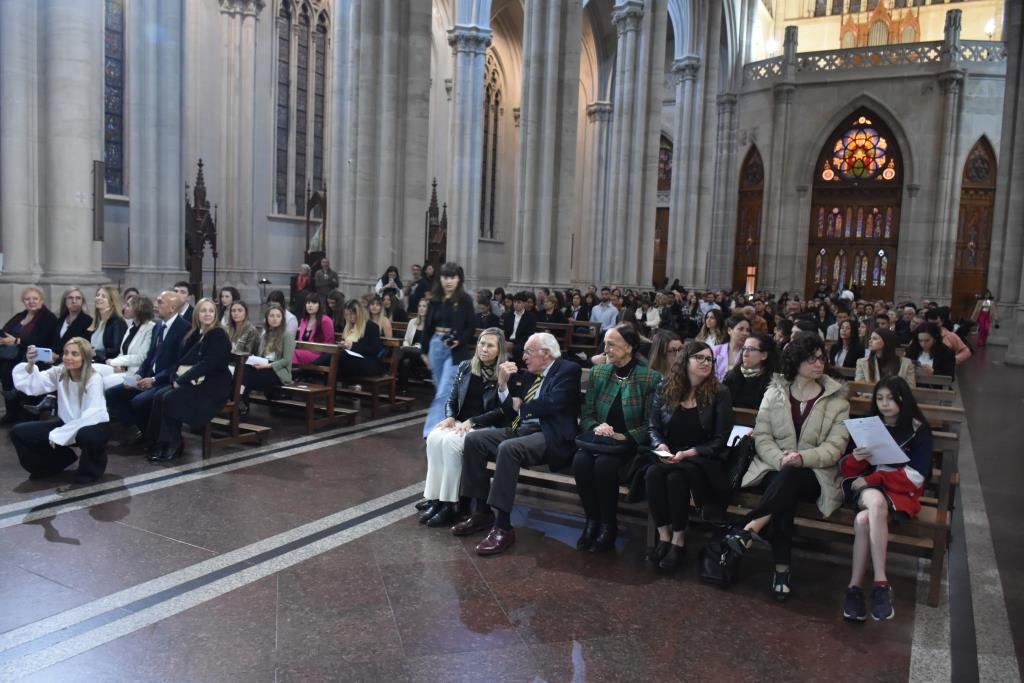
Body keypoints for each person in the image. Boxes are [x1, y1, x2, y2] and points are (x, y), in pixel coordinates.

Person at [728, 335, 850, 600]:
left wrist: (801, 459)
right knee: (784, 488)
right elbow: (762, 435)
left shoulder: (837, 401)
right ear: (796, 361)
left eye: (821, 358)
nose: (819, 363)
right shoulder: (774, 393)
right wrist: (780, 459)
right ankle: (781, 570)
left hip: (815, 473)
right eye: (811, 358)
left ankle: (748, 529)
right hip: (773, 467)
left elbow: (835, 447)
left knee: (789, 481)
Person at [455, 333, 581, 555]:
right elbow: (508, 407)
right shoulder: (530, 375)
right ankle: (481, 513)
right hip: (521, 429)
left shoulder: (568, 370)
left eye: (528, 352)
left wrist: (521, 408)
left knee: (508, 449)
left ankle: (502, 526)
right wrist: (503, 385)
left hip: (549, 434)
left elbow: (553, 403)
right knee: (474, 439)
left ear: (546, 354)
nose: (523, 357)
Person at [841, 377, 933, 621]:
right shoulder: (867, 427)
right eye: (880, 398)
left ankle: (855, 589)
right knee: (876, 503)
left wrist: (875, 478)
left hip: (901, 493)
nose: (885, 404)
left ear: (904, 399)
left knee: (863, 521)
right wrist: (857, 458)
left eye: (891, 398)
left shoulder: (918, 429)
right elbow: (849, 471)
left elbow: (917, 476)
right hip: (870, 491)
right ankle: (881, 584)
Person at [644, 341, 733, 570]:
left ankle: (678, 540)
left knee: (676, 478)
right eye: (700, 358)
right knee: (652, 473)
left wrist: (690, 453)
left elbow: (720, 440)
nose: (706, 363)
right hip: (669, 453)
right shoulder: (666, 386)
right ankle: (663, 535)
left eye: (709, 359)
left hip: (701, 458)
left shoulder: (719, 392)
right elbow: (653, 426)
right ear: (686, 360)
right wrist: (660, 445)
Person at [573, 325, 661, 553]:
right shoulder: (599, 373)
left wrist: (626, 436)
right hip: (600, 440)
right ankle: (591, 521)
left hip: (631, 447)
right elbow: (587, 414)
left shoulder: (650, 378)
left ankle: (608, 526)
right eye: (605, 343)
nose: (606, 348)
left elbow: (650, 423)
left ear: (629, 347)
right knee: (580, 461)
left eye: (612, 344)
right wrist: (597, 426)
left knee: (604, 466)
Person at [421, 328, 509, 528]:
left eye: (490, 345)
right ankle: (436, 499)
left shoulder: (505, 372)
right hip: (461, 423)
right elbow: (452, 398)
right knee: (435, 437)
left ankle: (452, 505)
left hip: (486, 426)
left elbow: (501, 411)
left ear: (499, 349)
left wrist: (473, 422)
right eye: (481, 344)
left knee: (451, 443)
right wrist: (450, 416)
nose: (484, 349)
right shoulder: (466, 366)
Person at [11, 338, 111, 483]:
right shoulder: (59, 372)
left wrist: (59, 434)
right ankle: (53, 464)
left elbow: (92, 414)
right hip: (66, 423)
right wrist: (31, 364)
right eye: (66, 353)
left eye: (75, 354)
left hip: (94, 424)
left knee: (87, 436)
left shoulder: (94, 378)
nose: (68, 357)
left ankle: (90, 472)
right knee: (19, 432)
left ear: (85, 357)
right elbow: (33, 386)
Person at [146, 298, 232, 463]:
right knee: (159, 395)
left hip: (214, 387)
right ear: (197, 314)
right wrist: (174, 377)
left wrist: (181, 381)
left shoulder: (218, 334)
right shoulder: (200, 333)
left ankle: (174, 445)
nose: (207, 314)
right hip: (199, 382)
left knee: (170, 398)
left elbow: (207, 365)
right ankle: (159, 442)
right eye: (203, 311)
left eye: (211, 311)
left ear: (215, 314)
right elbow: (185, 360)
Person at [104, 291, 190, 439]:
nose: (155, 305)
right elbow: (150, 357)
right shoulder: (158, 326)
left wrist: (154, 380)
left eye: (160, 302)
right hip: (148, 378)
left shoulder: (184, 328)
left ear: (172, 308)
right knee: (112, 394)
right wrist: (138, 375)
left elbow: (178, 364)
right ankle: (144, 430)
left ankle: (153, 436)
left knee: (139, 401)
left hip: (166, 381)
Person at [422, 263, 476, 437]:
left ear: (459, 279)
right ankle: (449, 421)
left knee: (445, 390)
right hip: (436, 345)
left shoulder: (465, 300)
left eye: (452, 277)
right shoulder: (435, 300)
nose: (448, 281)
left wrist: (458, 340)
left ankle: (432, 431)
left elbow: (471, 327)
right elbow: (427, 328)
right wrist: (423, 352)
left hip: (456, 349)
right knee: (441, 390)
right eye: (445, 277)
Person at [0, 287, 60, 423]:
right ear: (23, 301)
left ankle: (24, 412)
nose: (31, 301)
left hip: (37, 353)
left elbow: (42, 339)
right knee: (4, 368)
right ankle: (11, 411)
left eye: (35, 298)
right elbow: (6, 330)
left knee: (17, 368)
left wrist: (17, 340)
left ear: (41, 300)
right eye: (27, 299)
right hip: (13, 353)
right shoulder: (20, 315)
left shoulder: (48, 318)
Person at [241, 304, 295, 415]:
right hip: (264, 366)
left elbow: (286, 360)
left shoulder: (287, 335)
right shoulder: (266, 334)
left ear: (282, 319)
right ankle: (241, 403)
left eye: (278, 316)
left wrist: (267, 366)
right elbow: (261, 355)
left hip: (278, 372)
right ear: (267, 318)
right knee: (243, 370)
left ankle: (242, 403)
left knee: (247, 378)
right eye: (272, 316)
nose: (275, 319)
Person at [106, 296, 157, 386]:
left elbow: (141, 358)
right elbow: (123, 353)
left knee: (103, 382)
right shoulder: (132, 327)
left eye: (128, 305)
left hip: (135, 373)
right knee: (94, 371)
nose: (124, 308)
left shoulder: (150, 328)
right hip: (123, 369)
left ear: (138, 310)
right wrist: (118, 365)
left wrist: (115, 361)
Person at [723, 332, 776, 410]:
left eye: (751, 349)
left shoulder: (773, 382)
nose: (745, 354)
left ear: (764, 355)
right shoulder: (732, 377)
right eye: (744, 349)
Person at [336, 300, 385, 381]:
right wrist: (344, 344)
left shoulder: (371, 326)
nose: (349, 317)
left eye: (351, 314)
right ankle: (314, 370)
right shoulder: (348, 326)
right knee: (335, 354)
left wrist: (352, 346)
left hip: (368, 363)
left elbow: (374, 350)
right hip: (351, 360)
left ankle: (312, 369)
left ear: (359, 313)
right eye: (347, 314)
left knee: (341, 356)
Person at [291, 293, 336, 366]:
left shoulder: (326, 320)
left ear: (320, 305)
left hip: (319, 355)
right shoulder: (303, 320)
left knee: (291, 353)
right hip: (302, 352)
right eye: (308, 302)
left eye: (314, 302)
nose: (310, 305)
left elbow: (330, 343)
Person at [398, 297, 430, 392]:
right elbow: (406, 339)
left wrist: (407, 348)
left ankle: (391, 371)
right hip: (411, 352)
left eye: (424, 306)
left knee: (402, 351)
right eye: (419, 306)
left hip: (425, 355)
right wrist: (408, 347)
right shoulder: (412, 322)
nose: (421, 308)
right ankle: (403, 390)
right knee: (405, 362)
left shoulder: (431, 324)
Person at [53, 288, 93, 358]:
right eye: (70, 298)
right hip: (55, 362)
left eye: (78, 298)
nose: (74, 301)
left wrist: (59, 356)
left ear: (82, 301)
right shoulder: (60, 320)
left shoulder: (87, 321)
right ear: (65, 301)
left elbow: (83, 347)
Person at [711, 315, 751, 381]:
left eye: (747, 330)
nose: (745, 333)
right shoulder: (715, 350)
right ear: (729, 330)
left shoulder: (749, 353)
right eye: (741, 329)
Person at [503, 292, 537, 361]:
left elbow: (529, 335)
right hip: (508, 341)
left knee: (518, 349)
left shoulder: (531, 317)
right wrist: (507, 342)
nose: (516, 304)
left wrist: (513, 344)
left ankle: (517, 370)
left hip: (521, 343)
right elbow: (505, 332)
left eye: (519, 302)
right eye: (514, 302)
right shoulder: (508, 315)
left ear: (524, 303)